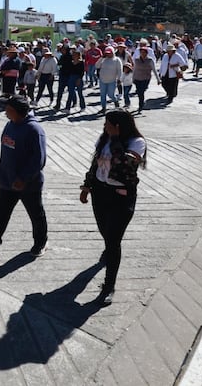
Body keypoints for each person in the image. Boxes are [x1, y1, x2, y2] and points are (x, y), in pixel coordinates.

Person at [80, 109, 147, 305]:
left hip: (121, 196)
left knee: (113, 240)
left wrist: (116, 139)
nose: (104, 127)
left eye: (108, 123)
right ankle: (109, 250)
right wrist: (86, 186)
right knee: (105, 232)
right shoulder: (104, 138)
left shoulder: (136, 142)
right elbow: (95, 164)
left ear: (118, 126)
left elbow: (124, 164)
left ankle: (109, 285)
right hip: (100, 193)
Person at [0, 96, 48, 260]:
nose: (5, 112)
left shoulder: (34, 130)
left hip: (28, 184)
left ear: (17, 112)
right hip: (7, 181)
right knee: (1, 213)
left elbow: (39, 160)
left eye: (8, 109)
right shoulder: (10, 124)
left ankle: (40, 243)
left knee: (36, 214)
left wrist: (23, 178)